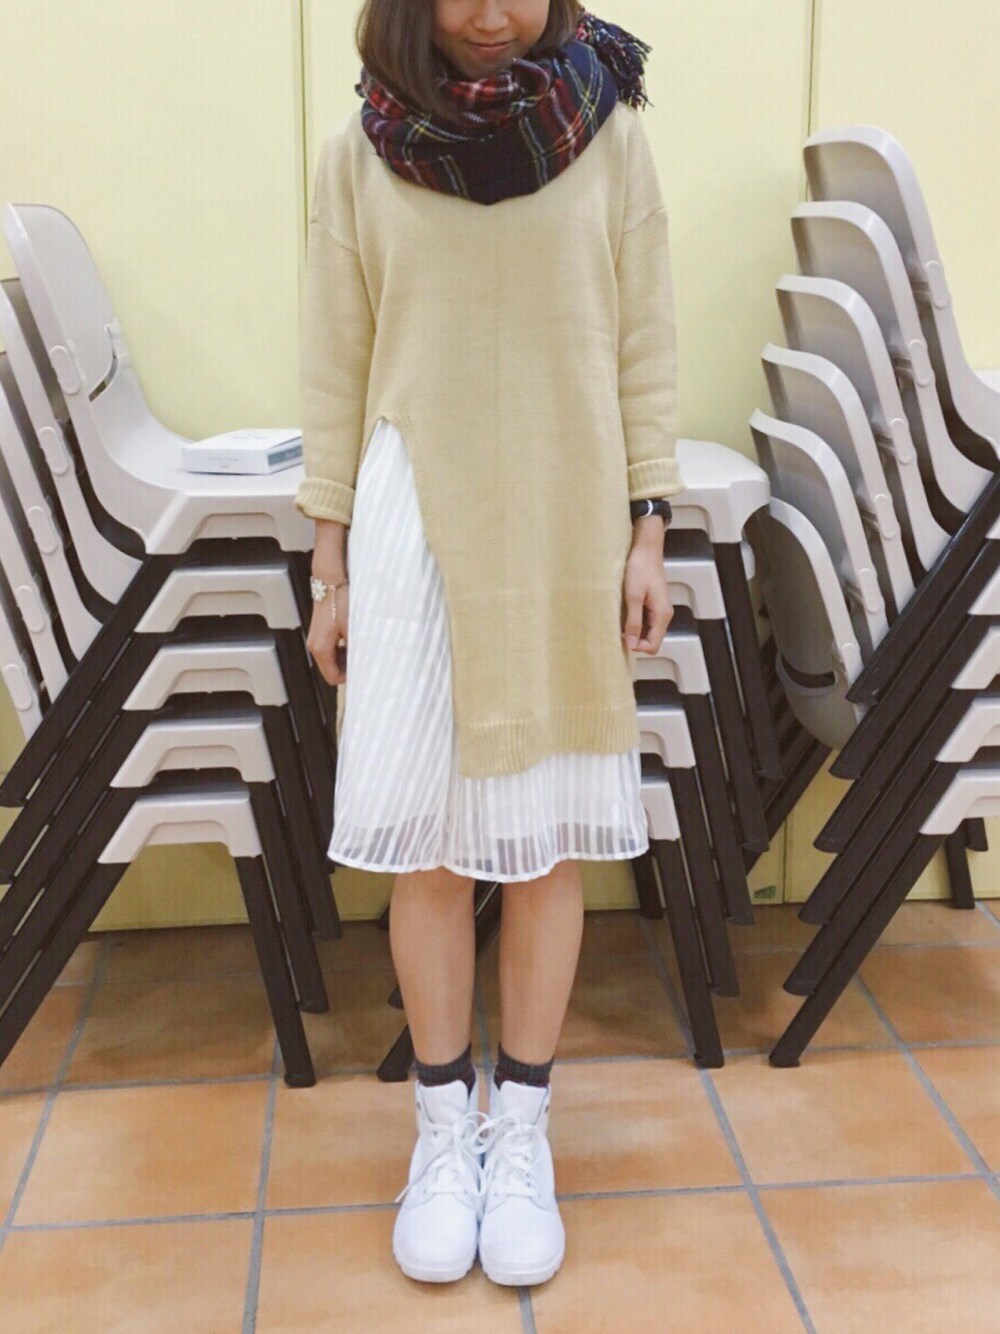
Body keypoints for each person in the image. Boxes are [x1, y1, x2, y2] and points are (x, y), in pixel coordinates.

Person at [297, 0, 684, 1289]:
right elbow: (335, 361)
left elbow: (644, 339)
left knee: (542, 840)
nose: (492, 11)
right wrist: (331, 563)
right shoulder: (362, 149)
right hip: (415, 521)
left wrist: (648, 528)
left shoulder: (607, 131)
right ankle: (439, 1134)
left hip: (568, 518)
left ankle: (521, 1131)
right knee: (427, 843)